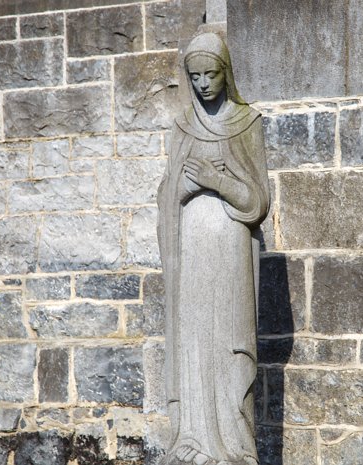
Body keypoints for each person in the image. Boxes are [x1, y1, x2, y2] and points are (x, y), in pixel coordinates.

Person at [156, 32, 270, 465]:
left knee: (228, 346)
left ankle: (235, 448)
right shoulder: (183, 126)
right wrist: (182, 187)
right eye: (195, 76)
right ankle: (194, 441)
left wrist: (217, 180)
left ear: (227, 73)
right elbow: (167, 195)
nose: (203, 84)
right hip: (192, 253)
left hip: (230, 253)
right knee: (194, 341)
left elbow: (257, 201)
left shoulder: (247, 122)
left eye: (211, 74)